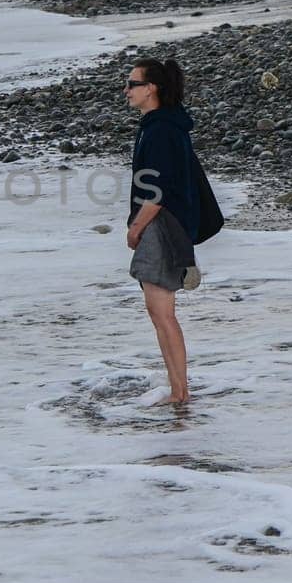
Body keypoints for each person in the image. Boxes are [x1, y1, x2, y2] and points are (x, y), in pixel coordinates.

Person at [124, 58, 201, 405]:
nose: (126, 91)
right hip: (168, 224)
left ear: (150, 88)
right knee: (161, 313)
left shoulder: (161, 130)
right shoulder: (163, 125)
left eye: (132, 84)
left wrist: (136, 228)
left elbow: (157, 191)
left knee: (162, 314)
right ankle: (179, 389)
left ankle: (180, 393)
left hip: (160, 225)